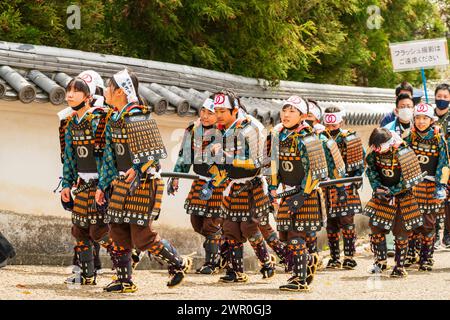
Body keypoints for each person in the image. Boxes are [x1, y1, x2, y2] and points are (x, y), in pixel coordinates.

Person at [95, 69, 191, 293]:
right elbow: (110, 157)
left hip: (144, 183)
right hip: (120, 183)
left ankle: (177, 264)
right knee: (117, 231)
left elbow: (153, 152)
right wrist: (102, 185)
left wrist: (137, 169)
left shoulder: (138, 114)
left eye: (109, 88)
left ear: (119, 91)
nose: (106, 92)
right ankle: (124, 281)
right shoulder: (113, 117)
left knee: (142, 235)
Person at [211, 90, 275, 283]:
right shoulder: (220, 129)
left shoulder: (251, 127)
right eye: (217, 110)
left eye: (223, 110)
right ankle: (236, 271)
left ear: (235, 110)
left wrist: (225, 156)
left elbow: (257, 162)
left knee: (249, 227)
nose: (219, 114)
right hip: (232, 185)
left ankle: (266, 261)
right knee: (229, 229)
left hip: (253, 185)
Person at [59, 70, 115, 285]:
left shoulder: (99, 119)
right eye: (68, 91)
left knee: (99, 231)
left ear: (88, 96)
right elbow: (69, 158)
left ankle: (127, 260)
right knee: (79, 229)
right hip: (82, 184)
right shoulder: (70, 122)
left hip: (100, 184)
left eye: (76, 91)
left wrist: (104, 184)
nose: (70, 95)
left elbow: (108, 155)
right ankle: (86, 274)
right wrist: (66, 183)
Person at [269, 95, 330, 291]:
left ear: (302, 115)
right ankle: (308, 263)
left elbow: (315, 169)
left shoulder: (308, 137)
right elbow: (274, 164)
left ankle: (300, 279)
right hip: (287, 192)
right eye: (284, 110)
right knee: (285, 236)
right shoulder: (278, 135)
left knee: (296, 237)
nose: (286, 115)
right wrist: (272, 187)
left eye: (292, 111)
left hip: (306, 193)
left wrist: (302, 194)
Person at [168, 98, 226, 274]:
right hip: (200, 180)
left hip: (219, 182)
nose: (206, 116)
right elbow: (184, 156)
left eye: (210, 113)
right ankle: (223, 245)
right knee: (196, 223)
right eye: (203, 111)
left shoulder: (225, 132)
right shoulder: (193, 129)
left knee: (211, 224)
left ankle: (212, 263)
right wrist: (176, 176)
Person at [365, 128, 424, 277]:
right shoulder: (373, 152)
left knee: (401, 233)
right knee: (375, 227)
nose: (378, 150)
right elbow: (371, 170)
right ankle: (380, 263)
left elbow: (409, 179)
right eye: (375, 146)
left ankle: (399, 266)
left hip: (403, 197)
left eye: (380, 146)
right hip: (382, 196)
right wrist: (377, 188)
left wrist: (392, 191)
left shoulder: (404, 152)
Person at [404, 103, 449, 271]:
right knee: (410, 221)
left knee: (428, 223)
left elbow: (444, 164)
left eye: (425, 118)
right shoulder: (409, 136)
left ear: (432, 120)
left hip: (430, 185)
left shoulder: (438, 138)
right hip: (412, 185)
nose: (421, 121)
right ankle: (411, 253)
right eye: (418, 118)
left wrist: (441, 185)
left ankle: (426, 257)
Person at [322, 105, 365, 270]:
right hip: (326, 185)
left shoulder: (350, 138)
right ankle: (334, 257)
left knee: (347, 222)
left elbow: (360, 160)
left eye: (334, 125)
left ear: (341, 121)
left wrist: (354, 179)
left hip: (346, 184)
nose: (331, 128)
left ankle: (349, 256)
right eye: (328, 125)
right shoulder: (319, 137)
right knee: (331, 224)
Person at [433, 83, 450, 249]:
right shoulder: (427, 117)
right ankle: (435, 234)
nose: (442, 100)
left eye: (445, 97)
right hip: (433, 165)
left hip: (449, 165)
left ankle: (448, 234)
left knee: (448, 201)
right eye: (439, 96)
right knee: (434, 200)